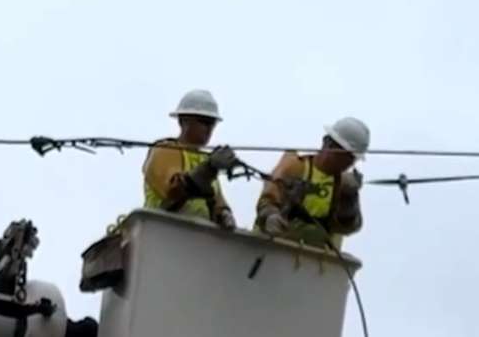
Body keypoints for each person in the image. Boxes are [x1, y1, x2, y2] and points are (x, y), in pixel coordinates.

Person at [254, 116, 369, 249]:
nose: (348, 164)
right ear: (328, 144)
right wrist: (270, 216)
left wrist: (349, 199)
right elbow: (268, 199)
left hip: (314, 259)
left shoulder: (342, 184)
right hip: (274, 249)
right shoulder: (295, 167)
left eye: (352, 159)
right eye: (345, 157)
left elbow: (347, 228)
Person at [141, 89, 237, 230]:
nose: (209, 129)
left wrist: (224, 213)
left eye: (212, 123)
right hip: (162, 232)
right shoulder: (166, 149)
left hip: (196, 239)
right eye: (204, 122)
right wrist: (207, 170)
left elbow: (217, 200)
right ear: (183, 121)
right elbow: (172, 190)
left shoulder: (206, 159)